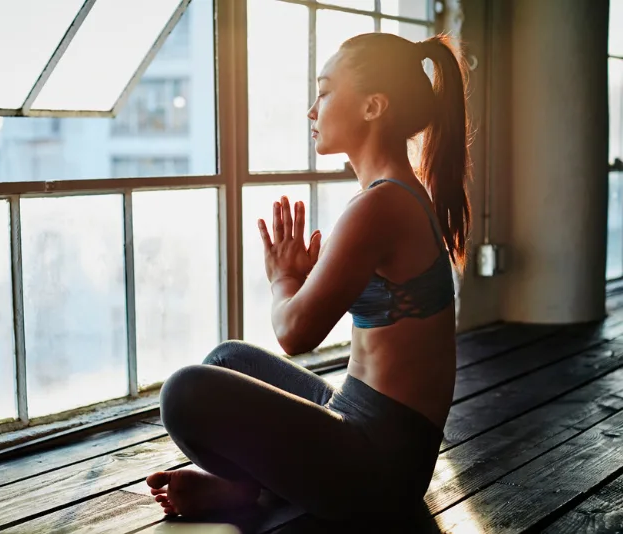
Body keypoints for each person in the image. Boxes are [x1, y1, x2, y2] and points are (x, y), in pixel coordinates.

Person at [146, 31, 471, 524]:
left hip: (380, 469)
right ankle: (250, 487)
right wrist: (299, 281)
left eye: (324, 91)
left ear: (372, 107)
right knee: (226, 359)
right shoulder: (397, 194)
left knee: (184, 392)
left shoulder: (379, 206)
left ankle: (246, 492)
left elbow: (294, 333)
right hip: (361, 422)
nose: (311, 110)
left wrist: (283, 280)